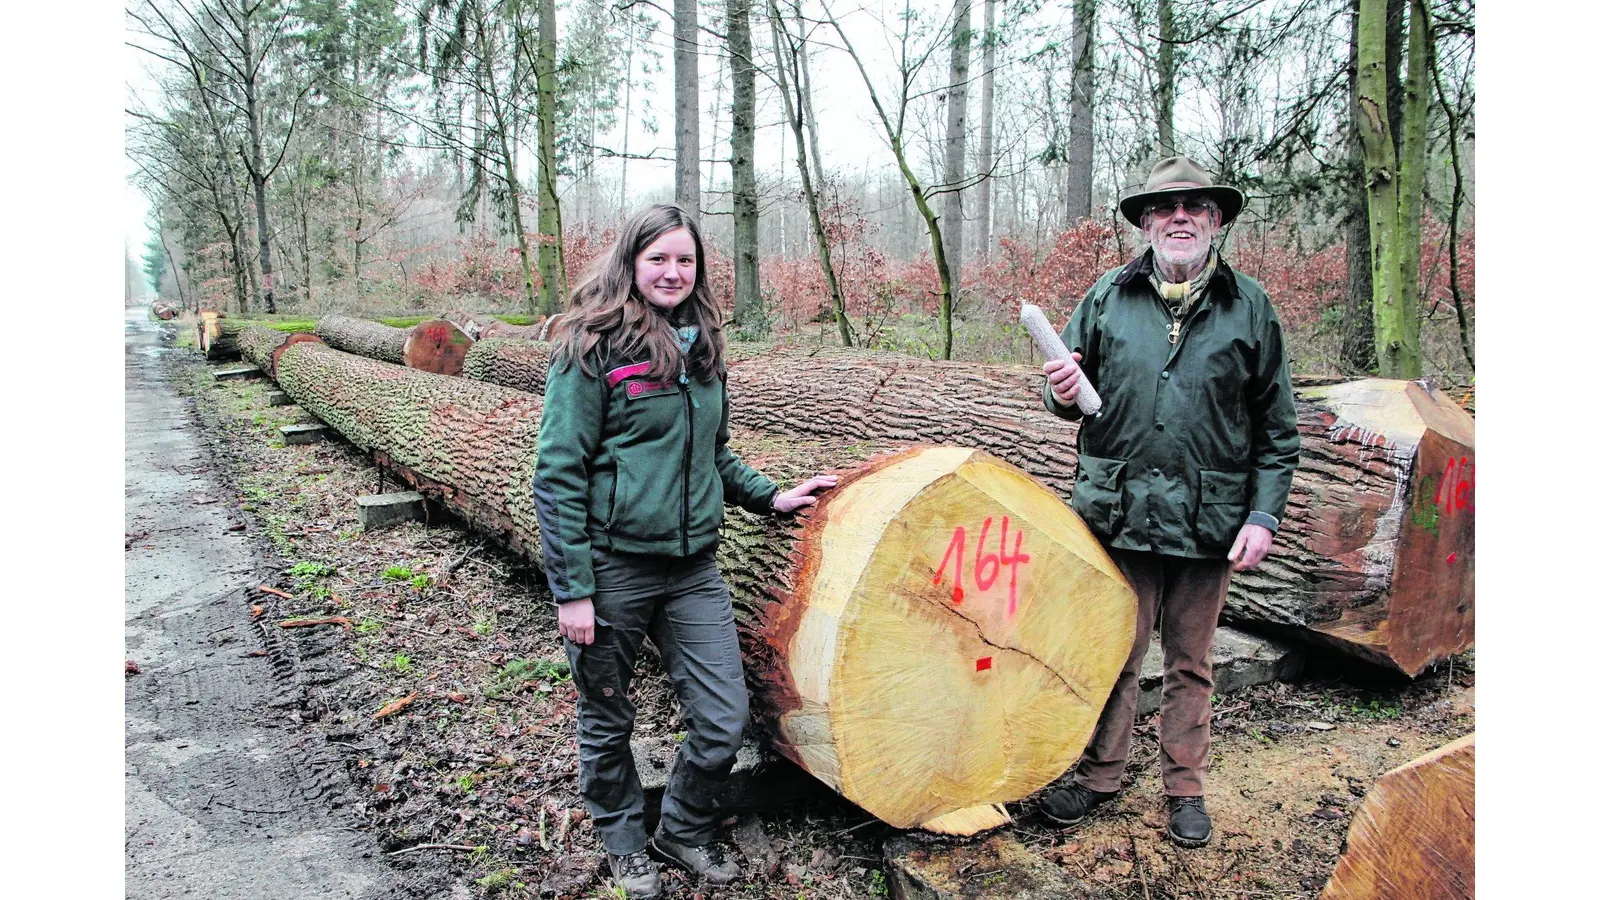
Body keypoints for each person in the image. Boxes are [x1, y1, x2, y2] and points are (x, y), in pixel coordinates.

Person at [532, 204, 837, 898]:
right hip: (612, 568)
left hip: (693, 567)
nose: (672, 272)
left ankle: (682, 827)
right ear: (631, 262)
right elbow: (557, 472)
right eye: (658, 258)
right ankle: (623, 840)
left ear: (697, 269)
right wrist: (572, 588)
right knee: (607, 712)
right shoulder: (590, 346)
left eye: (685, 260)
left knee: (725, 714)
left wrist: (771, 496)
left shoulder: (701, 346)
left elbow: (712, 454)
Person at [1037, 156, 1300, 848]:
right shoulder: (1105, 297)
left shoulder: (1250, 307)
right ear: (1146, 222)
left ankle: (1185, 787)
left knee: (1190, 661)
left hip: (1208, 522)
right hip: (1118, 515)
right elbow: (1062, 393)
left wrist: (1265, 515)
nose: (1180, 217)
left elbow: (1278, 431)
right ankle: (1099, 777)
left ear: (1215, 223)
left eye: (1196, 208)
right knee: (1114, 655)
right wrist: (1062, 392)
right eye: (1165, 207)